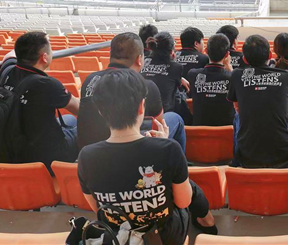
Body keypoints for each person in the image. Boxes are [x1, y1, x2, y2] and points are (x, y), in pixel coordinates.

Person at [77, 70, 216, 245]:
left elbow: (97, 208)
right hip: (164, 237)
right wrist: (164, 143)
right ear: (141, 106)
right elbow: (183, 202)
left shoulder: (86, 156)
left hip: (118, 236)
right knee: (187, 185)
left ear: (100, 111)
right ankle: (208, 223)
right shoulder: (169, 149)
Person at [78, 33, 185, 152]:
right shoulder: (146, 86)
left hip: (90, 151)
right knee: (175, 118)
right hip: (131, 151)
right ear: (139, 59)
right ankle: (179, 160)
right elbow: (158, 126)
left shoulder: (90, 80)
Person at [0, 32, 79, 168]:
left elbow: (9, 56)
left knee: (70, 119)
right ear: (44, 57)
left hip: (14, 149)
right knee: (84, 126)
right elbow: (79, 109)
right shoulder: (47, 84)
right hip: (48, 157)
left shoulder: (7, 71)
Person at [228, 35, 288, 168]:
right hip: (284, 157)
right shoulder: (286, 76)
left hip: (247, 158)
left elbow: (238, 108)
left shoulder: (237, 75)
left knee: (237, 117)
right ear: (269, 55)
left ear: (244, 59)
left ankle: (236, 159)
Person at [186, 34, 235, 126]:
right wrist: (229, 67)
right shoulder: (232, 77)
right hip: (227, 131)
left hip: (199, 131)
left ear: (206, 51)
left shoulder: (192, 74)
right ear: (227, 55)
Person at [141, 32, 186, 114]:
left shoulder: (143, 62)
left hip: (141, 113)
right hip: (164, 114)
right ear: (171, 51)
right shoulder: (176, 67)